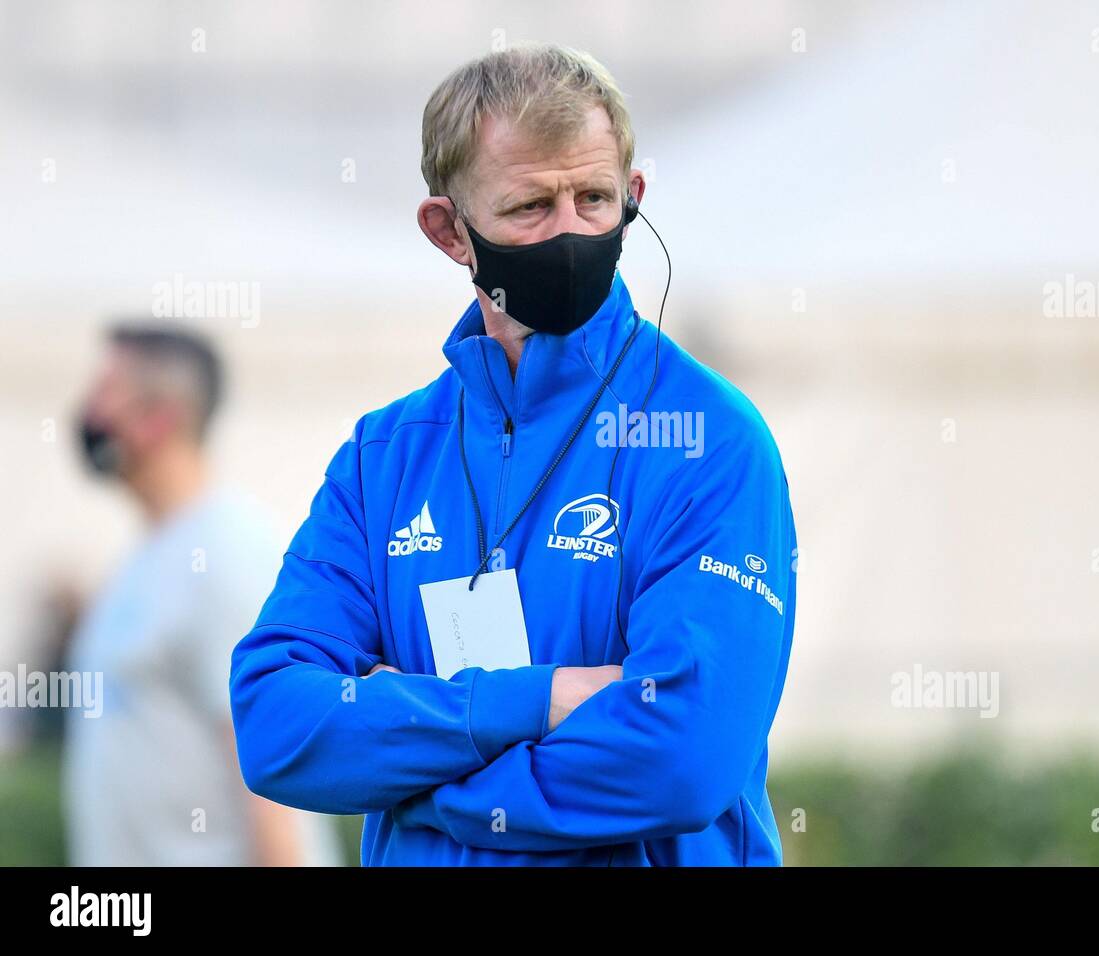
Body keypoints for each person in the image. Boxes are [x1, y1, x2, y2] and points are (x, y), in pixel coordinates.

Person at [230, 43, 797, 866]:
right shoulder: (383, 456)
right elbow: (276, 724)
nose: (570, 232)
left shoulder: (710, 439)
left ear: (634, 199)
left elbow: (683, 756)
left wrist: (424, 779)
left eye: (595, 199)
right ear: (448, 231)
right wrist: (539, 701)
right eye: (531, 207)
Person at [65, 323, 341, 866]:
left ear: (157, 419)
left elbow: (275, 785)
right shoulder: (149, 554)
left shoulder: (223, 552)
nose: (88, 412)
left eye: (104, 392)